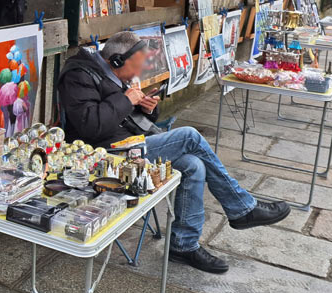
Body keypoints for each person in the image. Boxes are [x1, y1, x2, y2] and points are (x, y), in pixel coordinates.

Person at [56, 31, 290, 274]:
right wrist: (126, 99)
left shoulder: (110, 73)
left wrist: (146, 109)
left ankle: (183, 244)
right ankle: (242, 208)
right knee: (189, 136)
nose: (138, 73)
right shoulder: (77, 76)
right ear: (116, 60)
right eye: (136, 66)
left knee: (193, 164)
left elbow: (124, 115)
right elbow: (90, 125)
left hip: (131, 142)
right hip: (104, 156)